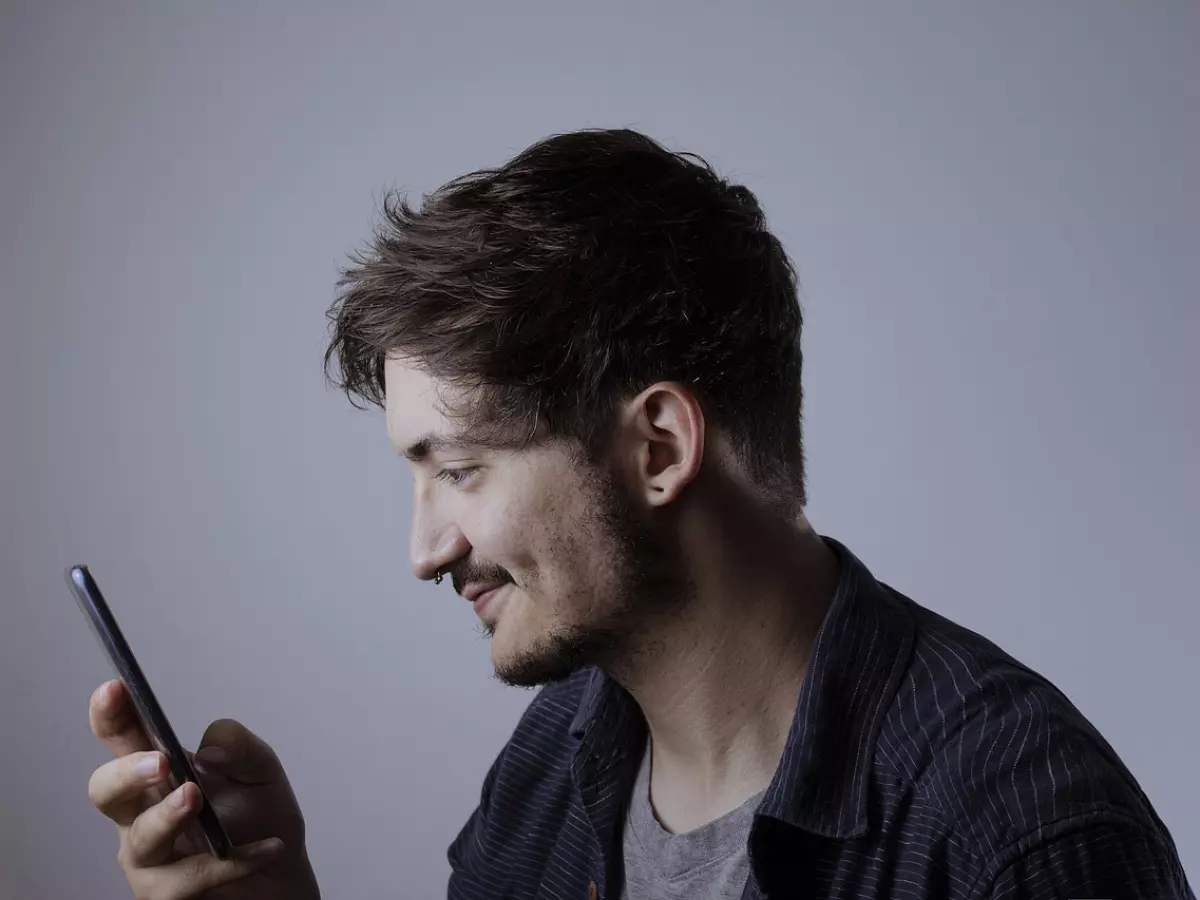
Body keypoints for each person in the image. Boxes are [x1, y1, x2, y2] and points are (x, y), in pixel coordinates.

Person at [85, 128, 1195, 900]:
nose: (423, 552)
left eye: (459, 469)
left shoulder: (1017, 836)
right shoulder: (556, 757)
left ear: (657, 447)